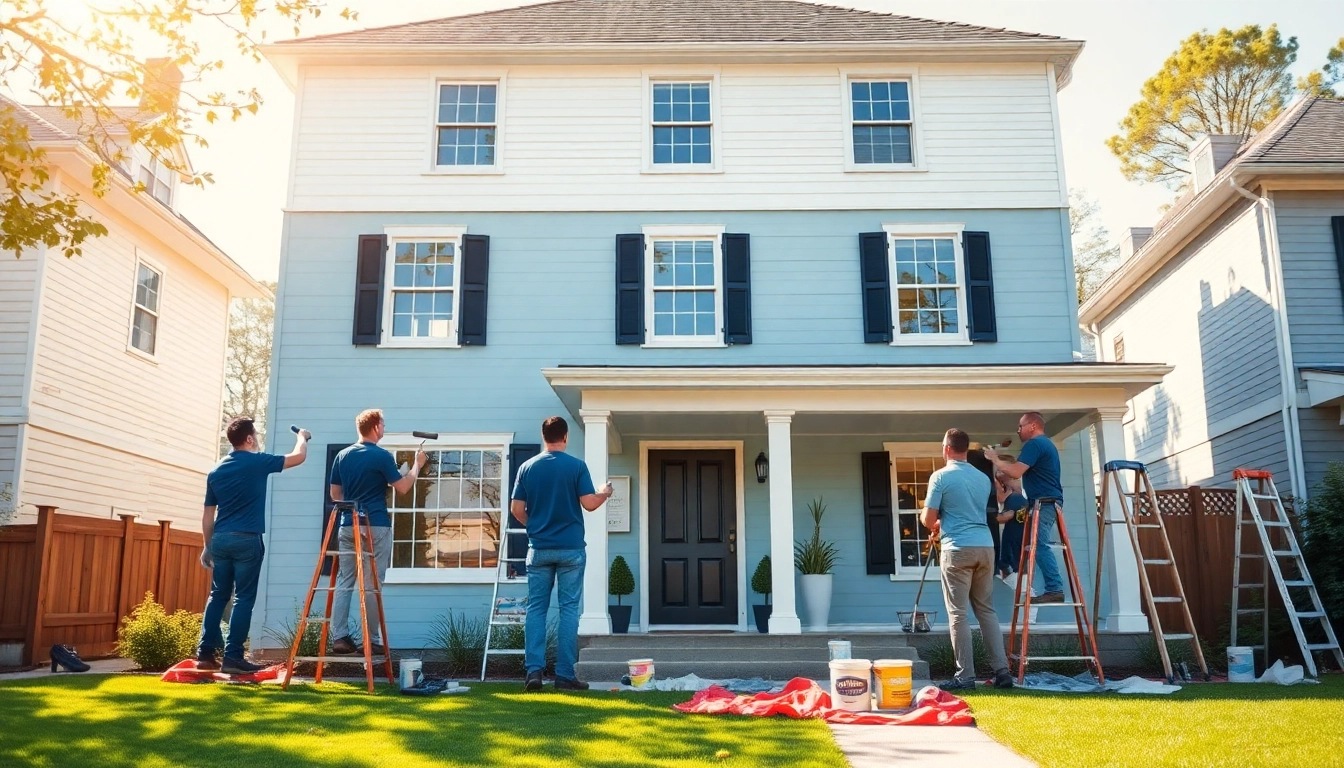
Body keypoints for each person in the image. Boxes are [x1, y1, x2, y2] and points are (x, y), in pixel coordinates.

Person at [196, 417, 309, 673]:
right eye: (255, 435)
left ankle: (204, 655)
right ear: (248, 439)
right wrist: (302, 436)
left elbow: (207, 514)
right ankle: (233, 656)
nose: (257, 439)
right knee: (243, 598)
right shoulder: (258, 462)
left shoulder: (216, 471)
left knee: (217, 596)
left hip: (221, 539)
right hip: (247, 539)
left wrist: (207, 545)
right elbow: (297, 457)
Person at [510, 416, 613, 692]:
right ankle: (565, 676)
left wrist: (535, 526)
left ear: (544, 436)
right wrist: (604, 493)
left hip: (539, 549)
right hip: (570, 550)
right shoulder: (576, 466)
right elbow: (589, 504)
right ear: (565, 437)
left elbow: (517, 509)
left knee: (536, 610)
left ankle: (534, 673)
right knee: (568, 610)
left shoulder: (527, 467)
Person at [328, 409, 427, 655]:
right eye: (383, 424)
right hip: (376, 525)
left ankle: (339, 637)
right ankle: (371, 640)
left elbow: (335, 495)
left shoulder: (342, 455)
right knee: (372, 584)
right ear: (374, 427)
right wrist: (416, 465)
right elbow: (403, 487)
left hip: (348, 525)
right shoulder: (381, 456)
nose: (384, 429)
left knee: (345, 580)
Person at [921, 428, 1013, 691]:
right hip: (985, 546)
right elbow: (972, 509)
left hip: (957, 549)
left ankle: (965, 676)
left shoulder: (940, 477)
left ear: (947, 449)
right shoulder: (983, 478)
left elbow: (928, 519)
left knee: (959, 614)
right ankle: (1002, 671)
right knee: (986, 610)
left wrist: (935, 522)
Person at [985, 411, 1066, 603]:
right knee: (1034, 544)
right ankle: (1052, 587)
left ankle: (1055, 588)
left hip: (1044, 502)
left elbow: (1015, 471)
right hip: (1045, 501)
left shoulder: (1035, 444)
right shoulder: (1046, 444)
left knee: (1038, 544)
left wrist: (995, 460)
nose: (1018, 430)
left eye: (1020, 426)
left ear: (1032, 426)